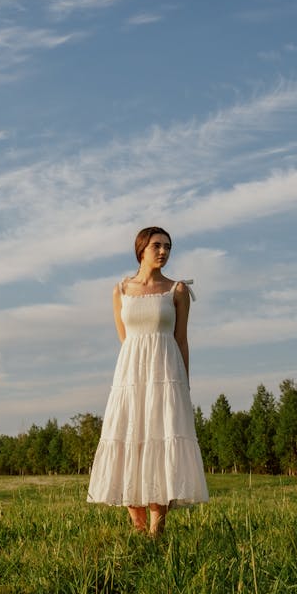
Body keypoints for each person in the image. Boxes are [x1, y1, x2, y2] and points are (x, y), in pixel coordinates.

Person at [87, 226, 208, 537]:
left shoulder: (177, 291)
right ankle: (138, 527)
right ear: (141, 249)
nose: (164, 252)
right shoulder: (121, 290)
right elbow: (124, 338)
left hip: (166, 375)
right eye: (157, 245)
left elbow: (181, 340)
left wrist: (184, 383)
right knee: (129, 442)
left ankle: (157, 529)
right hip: (130, 375)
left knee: (161, 440)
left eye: (168, 246)